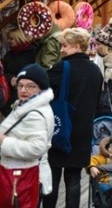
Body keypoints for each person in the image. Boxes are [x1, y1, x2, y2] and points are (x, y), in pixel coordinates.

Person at [43, 27, 103, 208]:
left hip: (61, 127)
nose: (62, 49)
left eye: (65, 45)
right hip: (83, 129)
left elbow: (44, 88)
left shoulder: (62, 67)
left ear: (77, 46)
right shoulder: (95, 70)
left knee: (52, 177)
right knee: (74, 177)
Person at [0, 64, 54, 208]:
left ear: (41, 88)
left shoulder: (35, 114)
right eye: (20, 85)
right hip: (21, 175)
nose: (23, 90)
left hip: (21, 176)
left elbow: (36, 148)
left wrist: (4, 141)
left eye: (31, 86)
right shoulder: (29, 106)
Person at [1, 26, 38, 116]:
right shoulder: (8, 55)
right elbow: (5, 72)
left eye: (12, 39)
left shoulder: (33, 52)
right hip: (13, 91)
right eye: (8, 39)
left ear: (19, 38)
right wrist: (10, 78)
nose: (9, 41)